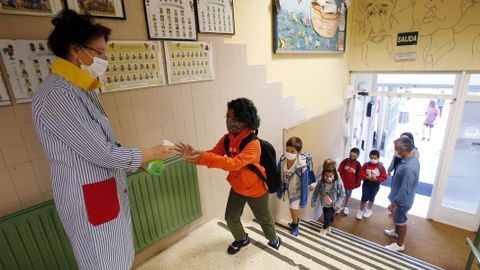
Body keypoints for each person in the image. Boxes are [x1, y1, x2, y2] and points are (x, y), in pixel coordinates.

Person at [31, 10, 173, 270]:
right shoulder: (58, 94)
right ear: (76, 50)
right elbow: (102, 153)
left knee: (118, 257)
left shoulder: (80, 88)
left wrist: (136, 162)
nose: (102, 59)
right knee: (103, 263)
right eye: (98, 52)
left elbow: (102, 143)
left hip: (103, 192)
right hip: (89, 199)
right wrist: (149, 153)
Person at [175, 98, 281, 254]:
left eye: (235, 118)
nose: (230, 121)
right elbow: (213, 154)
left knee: (264, 219)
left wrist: (203, 157)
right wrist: (195, 156)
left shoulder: (253, 144)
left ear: (246, 120)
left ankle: (273, 238)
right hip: (237, 188)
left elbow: (234, 163)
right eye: (228, 116)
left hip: (256, 190)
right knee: (231, 218)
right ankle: (242, 239)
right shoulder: (227, 139)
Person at [384, 137, 420, 252]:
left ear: (403, 150)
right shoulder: (411, 158)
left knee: (401, 221)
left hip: (402, 201)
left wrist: (394, 204)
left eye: (396, 150)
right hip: (398, 196)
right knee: (397, 219)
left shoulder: (408, 168)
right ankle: (396, 233)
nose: (395, 152)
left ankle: (400, 244)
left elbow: (404, 190)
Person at [276, 137, 316, 236]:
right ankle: (295, 220)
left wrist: (303, 200)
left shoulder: (301, 166)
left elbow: (304, 182)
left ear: (298, 152)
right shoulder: (282, 160)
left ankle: (295, 225)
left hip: (297, 191)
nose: (289, 153)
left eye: (292, 151)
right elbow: (278, 174)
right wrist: (279, 190)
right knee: (291, 208)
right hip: (287, 187)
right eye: (287, 150)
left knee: (294, 208)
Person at [311, 162, 345, 236]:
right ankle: (328, 226)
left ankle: (324, 228)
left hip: (333, 204)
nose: (328, 178)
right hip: (324, 203)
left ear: (334, 175)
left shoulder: (337, 183)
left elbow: (342, 194)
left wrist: (338, 203)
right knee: (327, 215)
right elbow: (316, 192)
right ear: (324, 175)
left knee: (327, 217)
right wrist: (313, 201)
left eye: (330, 176)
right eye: (326, 176)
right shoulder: (321, 182)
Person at [356, 150, 387, 220]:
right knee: (364, 197)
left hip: (375, 185)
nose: (373, 160)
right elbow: (360, 173)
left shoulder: (381, 167)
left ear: (378, 158)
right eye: (371, 158)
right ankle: (361, 210)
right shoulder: (366, 165)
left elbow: (384, 177)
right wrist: (366, 177)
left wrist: (376, 179)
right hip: (366, 184)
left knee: (372, 197)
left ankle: (369, 209)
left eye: (375, 158)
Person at [337, 147, 362, 215]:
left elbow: (359, 175)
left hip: (350, 185)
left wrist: (357, 183)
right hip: (341, 183)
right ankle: (338, 206)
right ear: (349, 153)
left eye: (354, 156)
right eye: (351, 155)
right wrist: (337, 179)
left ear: (357, 156)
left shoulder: (358, 165)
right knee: (340, 195)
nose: (352, 157)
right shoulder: (345, 161)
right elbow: (339, 170)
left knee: (347, 195)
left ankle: (345, 206)